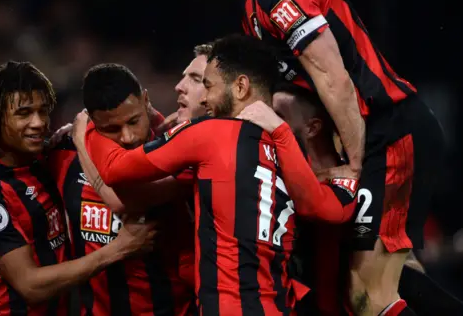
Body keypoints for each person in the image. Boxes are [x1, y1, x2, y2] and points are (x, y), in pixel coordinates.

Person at [171, 0, 445, 315]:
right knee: (392, 283)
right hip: (378, 135)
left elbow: (332, 77)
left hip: (389, 133)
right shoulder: (252, 9)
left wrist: (354, 165)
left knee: (366, 296)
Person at [74, 35, 357, 315]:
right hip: (281, 305)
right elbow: (329, 209)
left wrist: (86, 126)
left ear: (240, 86)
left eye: (206, 84)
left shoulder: (209, 134)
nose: (204, 96)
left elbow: (115, 171)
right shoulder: (284, 147)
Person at [0, 61, 155, 316]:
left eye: (43, 111)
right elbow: (30, 285)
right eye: (24, 113)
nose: (39, 123)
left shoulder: (48, 161)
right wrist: (119, 248)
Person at [272, 84, 463, 316]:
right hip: (315, 302)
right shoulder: (289, 170)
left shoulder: (359, 176)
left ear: (312, 127)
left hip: (339, 302)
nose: (271, 121)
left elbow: (328, 208)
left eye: (279, 116)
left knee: (392, 283)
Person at [48, 63, 196, 316]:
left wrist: (81, 137)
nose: (127, 137)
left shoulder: (175, 150)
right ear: (95, 121)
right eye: (112, 129)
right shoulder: (61, 158)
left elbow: (122, 201)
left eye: (134, 121)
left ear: (145, 101)